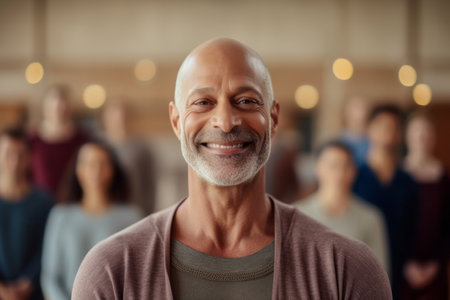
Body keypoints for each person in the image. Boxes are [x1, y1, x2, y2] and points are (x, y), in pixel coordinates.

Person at [72, 38, 391, 300]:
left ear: (274, 118)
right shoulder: (112, 272)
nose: (225, 122)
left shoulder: (346, 269)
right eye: (202, 102)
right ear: (176, 121)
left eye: (246, 101)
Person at [41, 141, 142, 300]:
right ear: (77, 170)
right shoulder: (60, 216)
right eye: (88, 163)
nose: (96, 170)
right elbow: (50, 277)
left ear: (113, 169)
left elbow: (138, 275)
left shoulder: (131, 217)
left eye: (103, 163)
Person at [353, 104, 419, 299]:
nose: (388, 133)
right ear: (370, 130)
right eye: (382, 126)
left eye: (394, 127)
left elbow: (413, 226)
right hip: (361, 266)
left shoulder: (407, 180)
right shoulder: (355, 175)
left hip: (399, 267)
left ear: (401, 133)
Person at [295, 140, 389, 271]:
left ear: (353, 171)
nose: (339, 173)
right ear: (317, 168)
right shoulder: (295, 216)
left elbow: (380, 275)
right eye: (333, 165)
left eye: (345, 166)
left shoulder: (370, 218)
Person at [0, 128, 53, 300]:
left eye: (20, 155)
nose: (14, 161)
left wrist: (28, 282)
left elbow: (48, 248)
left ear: (30, 158)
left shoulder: (44, 202)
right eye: (9, 154)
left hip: (33, 293)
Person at [401, 111, 450, 299]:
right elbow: (394, 225)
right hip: (403, 268)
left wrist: (436, 263)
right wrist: (406, 263)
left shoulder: (444, 177)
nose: (422, 137)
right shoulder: (398, 176)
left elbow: (447, 226)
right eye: (417, 131)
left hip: (435, 268)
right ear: (408, 136)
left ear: (434, 137)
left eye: (427, 132)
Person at [29, 84, 89, 197]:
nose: (59, 108)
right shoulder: (32, 139)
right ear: (45, 106)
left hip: (74, 200)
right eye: (53, 103)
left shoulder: (83, 139)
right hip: (40, 201)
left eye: (63, 103)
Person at [101, 100, 156, 215]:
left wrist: (147, 212)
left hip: (134, 207)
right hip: (104, 209)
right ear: (106, 118)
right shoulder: (98, 145)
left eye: (123, 116)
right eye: (115, 116)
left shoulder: (142, 148)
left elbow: (150, 185)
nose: (119, 120)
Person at [339, 96, 371, 165]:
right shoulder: (339, 141)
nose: (361, 112)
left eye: (363, 108)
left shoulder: (374, 140)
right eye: (357, 108)